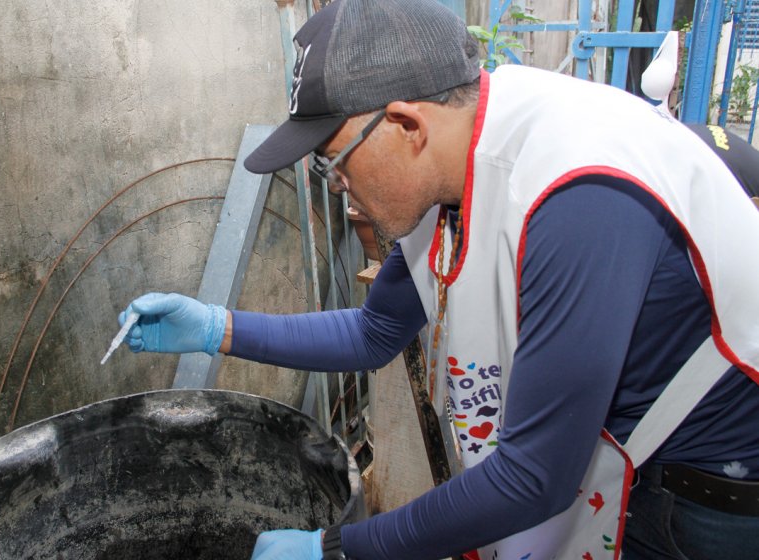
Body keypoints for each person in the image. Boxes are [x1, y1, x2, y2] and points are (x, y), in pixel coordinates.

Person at [117, 1, 759, 558]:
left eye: (334, 163)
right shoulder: (455, 167)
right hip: (611, 458)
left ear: (404, 124)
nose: (341, 193)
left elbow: (535, 477)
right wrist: (213, 328)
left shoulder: (578, 194)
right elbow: (374, 333)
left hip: (701, 495)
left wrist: (339, 548)